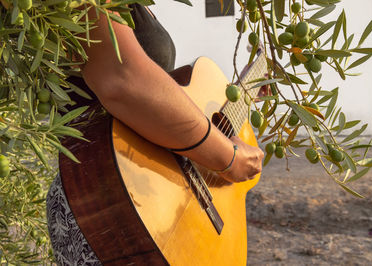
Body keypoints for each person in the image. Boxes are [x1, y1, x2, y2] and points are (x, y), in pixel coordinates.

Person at [46, 3, 264, 265]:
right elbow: (121, 79)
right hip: (104, 199)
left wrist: (241, 92)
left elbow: (156, 102)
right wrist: (228, 158)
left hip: (146, 201)